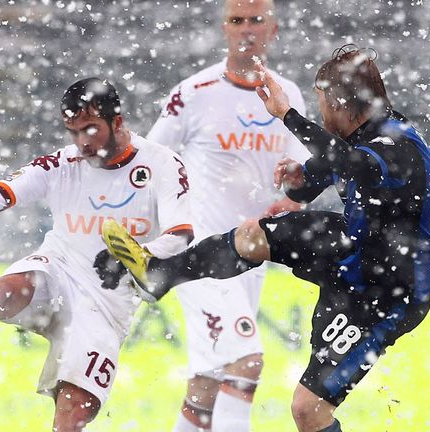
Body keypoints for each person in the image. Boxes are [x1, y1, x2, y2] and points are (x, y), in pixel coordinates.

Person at [104, 45, 430, 432]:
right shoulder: (359, 138)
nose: (321, 115)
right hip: (351, 251)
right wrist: (297, 181)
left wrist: (288, 115)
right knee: (253, 235)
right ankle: (159, 274)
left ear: (338, 103)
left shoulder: (399, 146)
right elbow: (323, 173)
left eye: (322, 106)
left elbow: (354, 165)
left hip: (388, 293)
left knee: (308, 410)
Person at [0, 78, 195, 431]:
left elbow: (181, 234)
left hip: (106, 303)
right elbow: (1, 193)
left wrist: (135, 257)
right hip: (59, 267)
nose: (82, 142)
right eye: (73, 132)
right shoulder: (62, 163)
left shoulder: (161, 164)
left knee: (73, 413)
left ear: (117, 121)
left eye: (90, 129)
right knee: (11, 288)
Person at [146, 1, 312, 430]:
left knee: (206, 385)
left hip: (250, 257)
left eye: (256, 20)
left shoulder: (287, 95)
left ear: (273, 29)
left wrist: (295, 198)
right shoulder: (193, 93)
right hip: (199, 256)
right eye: (237, 20)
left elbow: (302, 175)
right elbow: (148, 163)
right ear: (224, 28)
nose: (246, 29)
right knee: (246, 360)